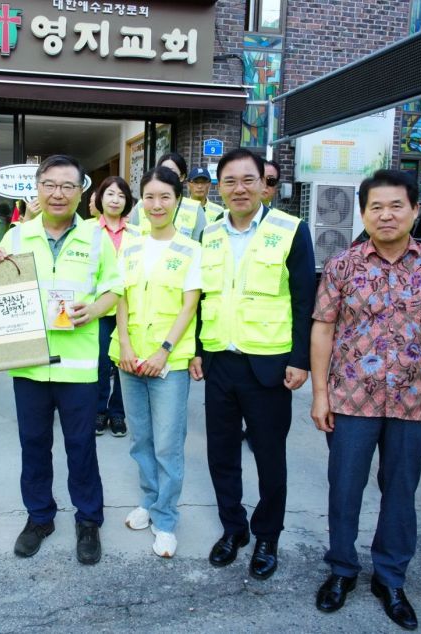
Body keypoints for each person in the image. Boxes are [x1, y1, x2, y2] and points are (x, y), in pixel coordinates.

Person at [311, 170, 421, 630]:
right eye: (375, 206)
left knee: (401, 493)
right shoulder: (343, 265)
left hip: (415, 402)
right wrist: (320, 394)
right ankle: (342, 570)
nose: (386, 214)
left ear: (415, 210)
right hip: (351, 400)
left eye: (396, 205)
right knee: (345, 489)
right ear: (363, 213)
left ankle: (391, 578)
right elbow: (323, 327)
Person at [0, 154, 121, 565]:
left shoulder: (97, 238)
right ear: (37, 191)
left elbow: (115, 290)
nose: (57, 193)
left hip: (79, 365)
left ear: (81, 192)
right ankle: (40, 516)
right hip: (28, 362)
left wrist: (94, 310)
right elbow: (0, 291)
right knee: (34, 444)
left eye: (67, 185)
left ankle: (88, 520)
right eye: (49, 185)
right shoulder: (17, 237)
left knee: (81, 446)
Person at [189, 148, 315, 580]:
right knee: (221, 454)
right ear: (219, 188)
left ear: (265, 184)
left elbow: (304, 300)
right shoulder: (209, 234)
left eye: (248, 180)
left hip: (269, 366)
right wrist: (199, 351)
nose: (239, 189)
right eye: (230, 181)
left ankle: (267, 535)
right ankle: (233, 529)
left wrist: (301, 360)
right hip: (220, 362)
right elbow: (204, 297)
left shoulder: (291, 230)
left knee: (269, 457)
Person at [109, 166, 201, 558]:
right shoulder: (130, 246)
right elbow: (121, 299)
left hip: (168, 362)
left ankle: (165, 519)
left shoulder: (190, 250)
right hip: (129, 359)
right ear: (140, 202)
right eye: (149, 196)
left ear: (178, 200)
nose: (156, 204)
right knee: (141, 439)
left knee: (167, 444)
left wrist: (163, 350)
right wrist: (127, 346)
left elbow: (189, 305)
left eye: (165, 196)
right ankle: (148, 501)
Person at [92, 176, 134, 438]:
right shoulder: (87, 230)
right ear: (100, 198)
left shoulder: (138, 233)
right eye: (110, 194)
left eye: (120, 195)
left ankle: (118, 413)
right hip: (98, 309)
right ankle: (98, 410)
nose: (115, 199)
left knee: (122, 364)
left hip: (129, 309)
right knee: (99, 363)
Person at [128, 152, 207, 242]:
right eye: (162, 171)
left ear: (182, 177)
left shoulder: (195, 208)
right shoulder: (141, 206)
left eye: (172, 172)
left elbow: (200, 243)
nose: (166, 175)